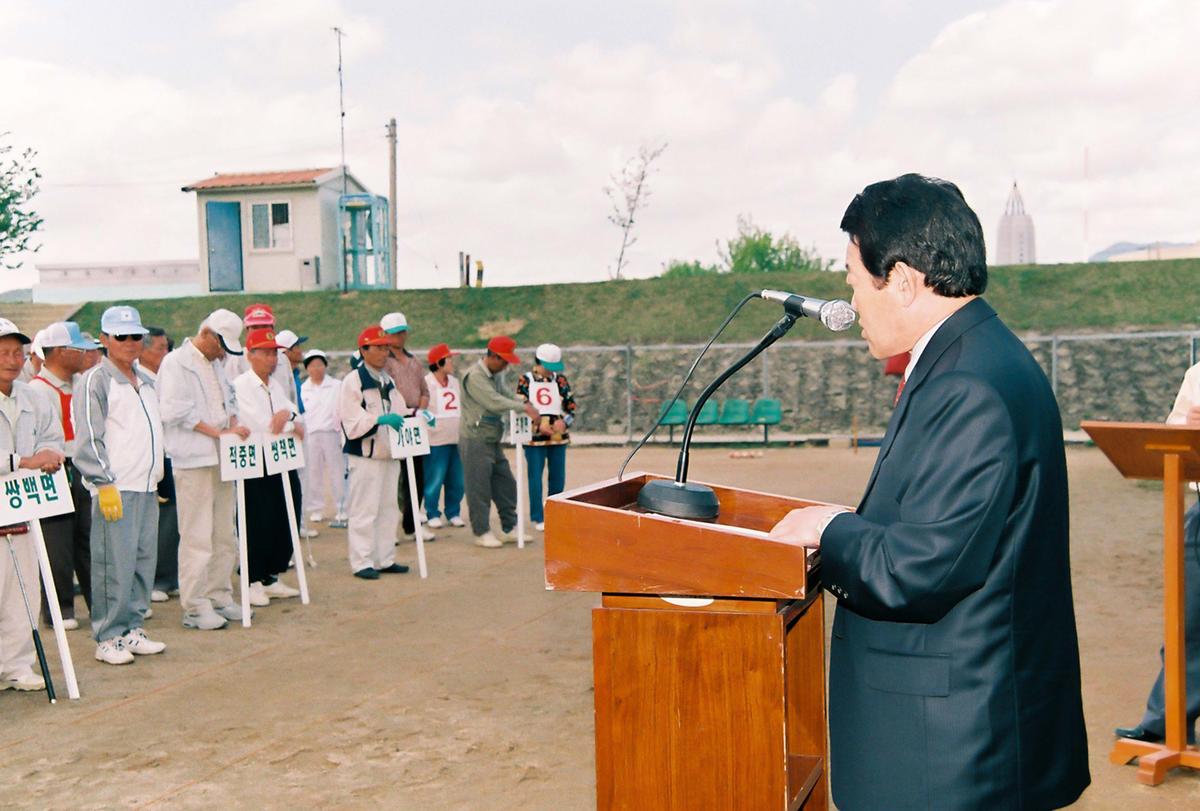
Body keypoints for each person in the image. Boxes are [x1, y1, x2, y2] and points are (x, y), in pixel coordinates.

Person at [767, 174, 1089, 809]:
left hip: (950, 748)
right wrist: (849, 524)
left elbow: (917, 569)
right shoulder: (976, 357)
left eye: (855, 281)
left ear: (903, 281)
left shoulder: (966, 383)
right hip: (963, 730)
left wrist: (829, 530)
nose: (851, 302)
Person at [73, 305, 167, 665]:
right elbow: (89, 436)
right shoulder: (95, 381)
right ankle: (108, 635)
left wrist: (157, 474)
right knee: (113, 564)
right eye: (121, 336)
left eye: (135, 336)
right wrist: (103, 482)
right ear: (105, 339)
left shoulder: (146, 380)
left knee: (143, 561)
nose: (130, 342)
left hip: (145, 485)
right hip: (115, 488)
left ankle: (132, 627)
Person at [1114, 363, 1200, 746]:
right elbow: (1171, 438)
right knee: (1188, 623)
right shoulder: (1198, 375)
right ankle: (1167, 724)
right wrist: (1189, 431)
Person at [156, 309, 250, 630]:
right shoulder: (175, 363)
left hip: (223, 457)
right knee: (196, 534)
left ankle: (219, 594)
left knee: (224, 531)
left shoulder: (216, 365)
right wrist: (218, 433)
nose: (222, 352)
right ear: (207, 333)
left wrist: (233, 425)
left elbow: (229, 400)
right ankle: (195, 604)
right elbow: (174, 411)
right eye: (220, 344)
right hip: (193, 458)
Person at [0, 317, 65, 692]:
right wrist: (22, 461)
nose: (12, 360)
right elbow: (25, 458)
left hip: (23, 509)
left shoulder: (34, 396)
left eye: (18, 353)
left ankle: (17, 665)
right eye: (3, 353)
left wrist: (48, 456)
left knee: (23, 589)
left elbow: (53, 439)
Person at [28, 321, 99, 631]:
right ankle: (60, 608)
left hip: (82, 466)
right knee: (57, 542)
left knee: (89, 537)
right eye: (77, 350)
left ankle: (98, 602)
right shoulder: (36, 390)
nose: (85, 355)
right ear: (58, 352)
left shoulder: (82, 383)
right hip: (54, 469)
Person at [231, 328, 303, 605]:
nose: (272, 359)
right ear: (250, 355)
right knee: (256, 520)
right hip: (255, 462)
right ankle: (252, 579)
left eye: (274, 353)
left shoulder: (276, 385)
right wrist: (289, 422)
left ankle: (272, 574)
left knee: (286, 514)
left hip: (281, 459)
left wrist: (288, 418)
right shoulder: (240, 385)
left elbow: (294, 415)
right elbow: (262, 424)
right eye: (266, 353)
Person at [338, 325, 410, 579]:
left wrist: (417, 416)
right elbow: (350, 419)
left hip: (389, 454)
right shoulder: (353, 381)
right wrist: (378, 420)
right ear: (363, 350)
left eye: (385, 347)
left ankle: (384, 558)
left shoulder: (387, 380)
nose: (383, 352)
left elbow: (400, 410)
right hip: (365, 456)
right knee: (364, 509)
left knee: (389, 508)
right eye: (378, 347)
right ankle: (361, 561)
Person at [459, 336, 540, 548]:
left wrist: (524, 403)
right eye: (504, 361)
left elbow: (506, 395)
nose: (506, 366)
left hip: (493, 437)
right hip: (475, 438)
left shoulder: (496, 375)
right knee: (479, 488)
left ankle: (509, 527)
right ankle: (481, 531)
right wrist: (524, 408)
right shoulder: (475, 376)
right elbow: (493, 402)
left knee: (505, 483)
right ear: (493, 357)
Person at [381, 312, 433, 540]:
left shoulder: (414, 361)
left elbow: (424, 390)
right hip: (394, 420)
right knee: (395, 477)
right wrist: (403, 410)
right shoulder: (384, 362)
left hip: (414, 420)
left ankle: (411, 525)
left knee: (416, 475)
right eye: (396, 333)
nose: (400, 336)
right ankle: (390, 528)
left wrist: (420, 408)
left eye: (402, 332)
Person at [516, 343, 576, 532]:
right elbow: (520, 407)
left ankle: (555, 512)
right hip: (534, 439)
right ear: (539, 362)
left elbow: (571, 406)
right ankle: (538, 516)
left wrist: (564, 422)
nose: (551, 371)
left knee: (558, 477)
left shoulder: (561, 380)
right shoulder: (525, 381)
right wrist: (537, 424)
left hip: (558, 438)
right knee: (535, 478)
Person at [139, 327, 180, 604]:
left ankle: (170, 575)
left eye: (167, 347)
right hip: (149, 459)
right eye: (160, 348)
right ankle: (157, 579)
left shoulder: (164, 377)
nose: (166, 353)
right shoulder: (140, 380)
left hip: (171, 454)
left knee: (173, 519)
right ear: (143, 350)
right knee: (159, 522)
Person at [300, 349, 345, 526]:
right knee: (313, 473)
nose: (316, 368)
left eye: (319, 364)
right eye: (312, 365)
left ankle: (342, 507)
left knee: (337, 471)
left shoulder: (336, 386)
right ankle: (316, 508)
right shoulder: (303, 388)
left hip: (332, 433)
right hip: (311, 435)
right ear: (307, 368)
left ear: (325, 366)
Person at [423, 344, 465, 529]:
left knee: (457, 479)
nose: (452, 363)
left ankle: (453, 512)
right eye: (449, 359)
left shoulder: (455, 382)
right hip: (436, 439)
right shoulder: (426, 383)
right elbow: (422, 409)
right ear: (439, 363)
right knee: (435, 478)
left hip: (456, 437)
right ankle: (432, 512)